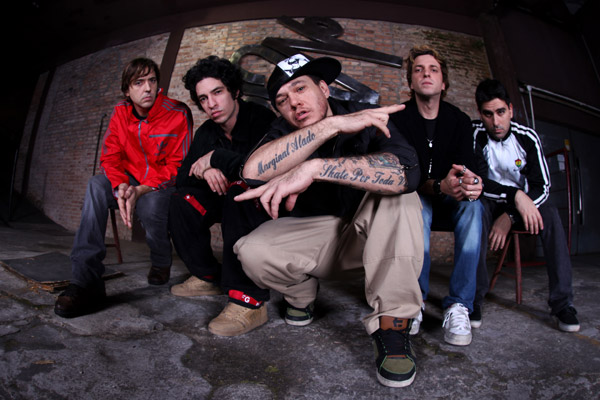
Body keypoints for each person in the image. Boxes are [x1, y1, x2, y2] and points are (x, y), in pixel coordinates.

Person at [233, 54, 424, 388]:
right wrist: (329, 127)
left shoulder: (365, 116)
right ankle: (302, 295)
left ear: (323, 88)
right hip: (317, 237)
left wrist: (316, 168)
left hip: (373, 234)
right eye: (282, 100)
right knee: (250, 250)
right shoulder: (284, 131)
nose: (294, 103)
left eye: (300, 89)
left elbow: (407, 172)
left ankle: (393, 324)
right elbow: (251, 172)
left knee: (401, 196)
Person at [54, 57, 193, 318]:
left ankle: (161, 261)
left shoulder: (178, 113)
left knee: (151, 205)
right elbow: (111, 157)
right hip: (128, 179)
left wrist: (142, 190)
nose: (148, 88)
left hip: (160, 183)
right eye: (138, 82)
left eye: (152, 80)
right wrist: (121, 186)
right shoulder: (120, 112)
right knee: (96, 185)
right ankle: (85, 281)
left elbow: (178, 165)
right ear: (127, 90)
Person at [168, 56, 276, 336]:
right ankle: (207, 275)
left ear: (235, 91)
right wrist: (206, 170)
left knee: (238, 189)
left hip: (262, 202)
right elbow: (183, 176)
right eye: (203, 98)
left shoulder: (261, 119)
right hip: (225, 201)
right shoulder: (207, 131)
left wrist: (216, 158)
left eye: (217, 92)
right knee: (182, 200)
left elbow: (259, 171)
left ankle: (249, 300)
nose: (211, 104)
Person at [390, 45, 483, 347]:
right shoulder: (399, 119)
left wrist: (469, 183)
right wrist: (437, 185)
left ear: (444, 83)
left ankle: (459, 305)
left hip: (451, 198)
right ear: (411, 81)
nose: (426, 74)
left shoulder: (460, 121)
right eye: (418, 70)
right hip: (417, 196)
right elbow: (401, 174)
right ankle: (415, 300)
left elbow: (466, 166)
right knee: (416, 207)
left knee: (475, 208)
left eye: (433, 70)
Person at [472, 78, 580, 332]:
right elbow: (479, 182)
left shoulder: (527, 137)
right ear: (480, 114)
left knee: (550, 213)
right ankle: (472, 299)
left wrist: (510, 215)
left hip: (522, 205)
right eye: (488, 114)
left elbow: (542, 186)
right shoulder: (475, 134)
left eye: (501, 112)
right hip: (490, 201)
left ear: (511, 109)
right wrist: (513, 198)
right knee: (473, 211)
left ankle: (563, 303)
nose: (496, 122)